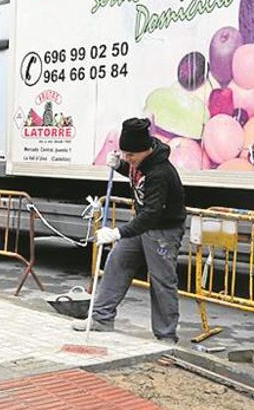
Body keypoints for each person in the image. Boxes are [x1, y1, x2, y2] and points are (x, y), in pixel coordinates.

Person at [71, 118, 186, 344]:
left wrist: (118, 232)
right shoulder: (139, 163)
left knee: (162, 280)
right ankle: (101, 318)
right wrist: (121, 167)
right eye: (124, 154)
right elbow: (136, 177)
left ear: (146, 150)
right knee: (116, 263)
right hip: (142, 224)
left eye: (131, 156)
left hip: (163, 231)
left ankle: (166, 335)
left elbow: (152, 214)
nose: (128, 159)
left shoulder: (161, 173)